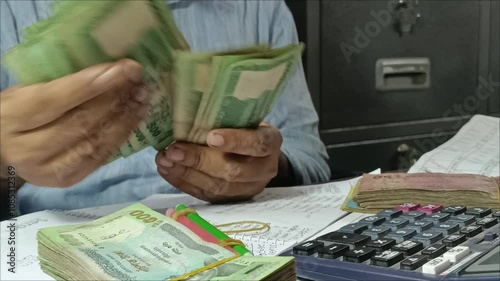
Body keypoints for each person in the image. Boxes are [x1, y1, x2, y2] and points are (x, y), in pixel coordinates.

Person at [0, 0, 331, 218]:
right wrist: (5, 161)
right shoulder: (11, 9)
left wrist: (263, 168)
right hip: (61, 238)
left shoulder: (259, 7)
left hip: (237, 231)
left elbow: (312, 162)